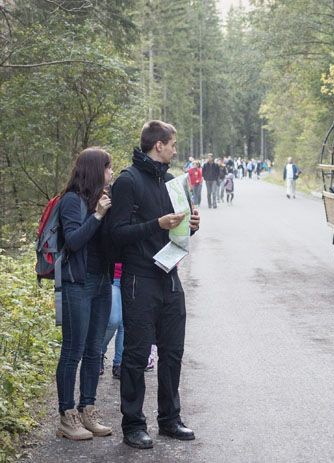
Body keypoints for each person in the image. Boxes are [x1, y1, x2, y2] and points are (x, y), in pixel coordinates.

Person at [109, 120, 200, 450]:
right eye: (172, 144)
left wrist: (191, 226)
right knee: (135, 355)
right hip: (139, 277)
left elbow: (175, 233)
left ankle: (170, 419)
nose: (176, 149)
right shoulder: (127, 182)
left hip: (170, 276)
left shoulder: (174, 183)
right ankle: (133, 424)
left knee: (173, 351)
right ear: (157, 145)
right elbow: (115, 234)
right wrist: (155, 224)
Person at [55, 147, 114, 441]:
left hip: (103, 283)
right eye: (107, 167)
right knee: (73, 350)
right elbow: (74, 242)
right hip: (78, 284)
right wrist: (98, 216)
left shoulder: (102, 200)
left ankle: (87, 408)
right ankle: (67, 416)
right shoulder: (71, 201)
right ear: (94, 170)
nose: (111, 172)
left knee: (95, 350)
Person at [100, 262, 124, 380]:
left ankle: (119, 363)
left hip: (134, 276)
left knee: (125, 324)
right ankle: (99, 351)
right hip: (114, 277)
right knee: (114, 319)